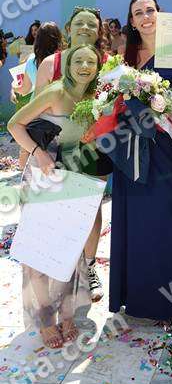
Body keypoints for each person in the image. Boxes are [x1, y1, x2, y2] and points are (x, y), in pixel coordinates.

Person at [7, 44, 101, 349]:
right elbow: (14, 124)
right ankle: (46, 318)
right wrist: (39, 154)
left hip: (74, 177)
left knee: (69, 251)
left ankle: (67, 313)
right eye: (78, 61)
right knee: (39, 252)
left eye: (90, 61)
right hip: (43, 176)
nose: (84, 66)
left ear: (97, 68)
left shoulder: (96, 97)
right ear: (68, 65)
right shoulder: (55, 92)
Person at [109, 0, 172, 322]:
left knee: (165, 223)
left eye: (150, 10)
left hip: (165, 148)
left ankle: (167, 304)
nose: (145, 17)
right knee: (135, 224)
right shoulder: (123, 57)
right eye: (138, 13)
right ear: (131, 20)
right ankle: (134, 299)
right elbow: (111, 101)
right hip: (130, 151)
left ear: (159, 13)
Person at [35, 7, 111, 302]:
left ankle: (89, 268)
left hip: (95, 148)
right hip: (58, 149)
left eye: (91, 24)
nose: (85, 28)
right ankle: (61, 270)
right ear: (69, 28)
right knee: (58, 211)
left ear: (99, 31)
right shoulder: (51, 64)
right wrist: (39, 152)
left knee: (91, 210)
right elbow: (36, 114)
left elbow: (117, 108)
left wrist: (98, 128)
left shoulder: (110, 64)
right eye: (79, 23)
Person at [14, 23, 63, 169]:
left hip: (35, 111)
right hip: (58, 112)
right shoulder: (62, 59)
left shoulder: (31, 60)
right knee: (55, 151)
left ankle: (24, 176)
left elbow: (25, 89)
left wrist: (14, 87)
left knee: (28, 147)